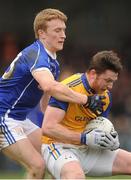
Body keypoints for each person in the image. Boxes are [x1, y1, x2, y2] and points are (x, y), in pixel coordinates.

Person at [0, 8, 103, 179]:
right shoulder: (37, 54)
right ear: (42, 33)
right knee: (38, 165)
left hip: (18, 118)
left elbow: (44, 105)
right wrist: (86, 100)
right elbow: (49, 86)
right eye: (57, 30)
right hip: (3, 116)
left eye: (64, 30)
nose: (63, 35)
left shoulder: (52, 62)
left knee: (52, 155)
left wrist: (70, 124)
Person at [41, 50, 131, 179]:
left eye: (113, 81)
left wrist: (110, 141)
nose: (110, 86)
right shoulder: (66, 89)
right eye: (107, 80)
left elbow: (98, 126)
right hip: (59, 147)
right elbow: (48, 128)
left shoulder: (105, 96)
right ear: (93, 74)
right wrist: (83, 138)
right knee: (76, 176)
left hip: (87, 149)